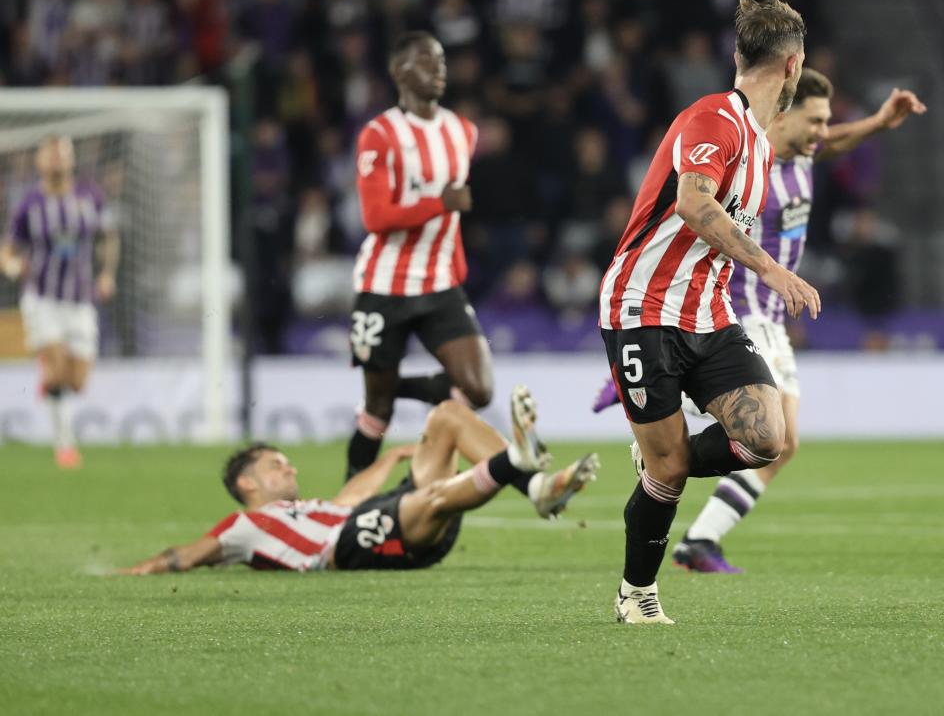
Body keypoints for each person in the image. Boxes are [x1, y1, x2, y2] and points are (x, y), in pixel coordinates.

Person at [593, 68, 927, 573]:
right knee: (775, 438)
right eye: (813, 120)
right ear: (784, 117)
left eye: (825, 122)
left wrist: (879, 123)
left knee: (780, 445)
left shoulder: (803, 153)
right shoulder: (754, 152)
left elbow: (832, 143)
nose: (822, 131)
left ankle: (688, 512)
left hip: (770, 315)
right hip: (737, 307)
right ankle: (686, 509)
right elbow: (696, 199)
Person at [598, 0, 821, 624]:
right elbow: (695, 207)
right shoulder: (712, 119)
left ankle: (659, 455)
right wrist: (774, 270)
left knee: (766, 438)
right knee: (669, 473)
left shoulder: (758, 140)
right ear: (794, 65)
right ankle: (636, 594)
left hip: (707, 311)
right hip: (642, 305)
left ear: (738, 56)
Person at [119, 387, 597, 574]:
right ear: (247, 485)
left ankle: (533, 486)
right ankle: (516, 459)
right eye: (275, 465)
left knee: (449, 415)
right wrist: (129, 573)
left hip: (366, 521)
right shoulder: (244, 527)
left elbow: (353, 498)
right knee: (428, 498)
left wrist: (390, 458)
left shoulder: (306, 509)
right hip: (342, 550)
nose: (290, 468)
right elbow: (186, 555)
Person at [345, 32, 492, 479]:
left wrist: (457, 262)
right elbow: (375, 217)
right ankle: (346, 506)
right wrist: (439, 202)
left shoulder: (463, 132)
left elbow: (453, 219)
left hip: (441, 282)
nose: (438, 67)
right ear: (399, 72)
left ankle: (399, 399)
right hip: (384, 285)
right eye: (426, 60)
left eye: (442, 60)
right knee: (376, 413)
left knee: (478, 387)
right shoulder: (380, 134)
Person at [0, 136, 119, 470]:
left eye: (61, 153)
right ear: (39, 162)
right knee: (55, 368)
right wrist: (11, 266)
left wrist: (107, 273)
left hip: (81, 300)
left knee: (77, 381)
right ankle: (65, 446)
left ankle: (50, 379)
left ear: (71, 160)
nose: (55, 159)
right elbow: (8, 248)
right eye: (49, 154)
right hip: (42, 297)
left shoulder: (90, 196)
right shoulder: (29, 204)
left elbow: (108, 236)